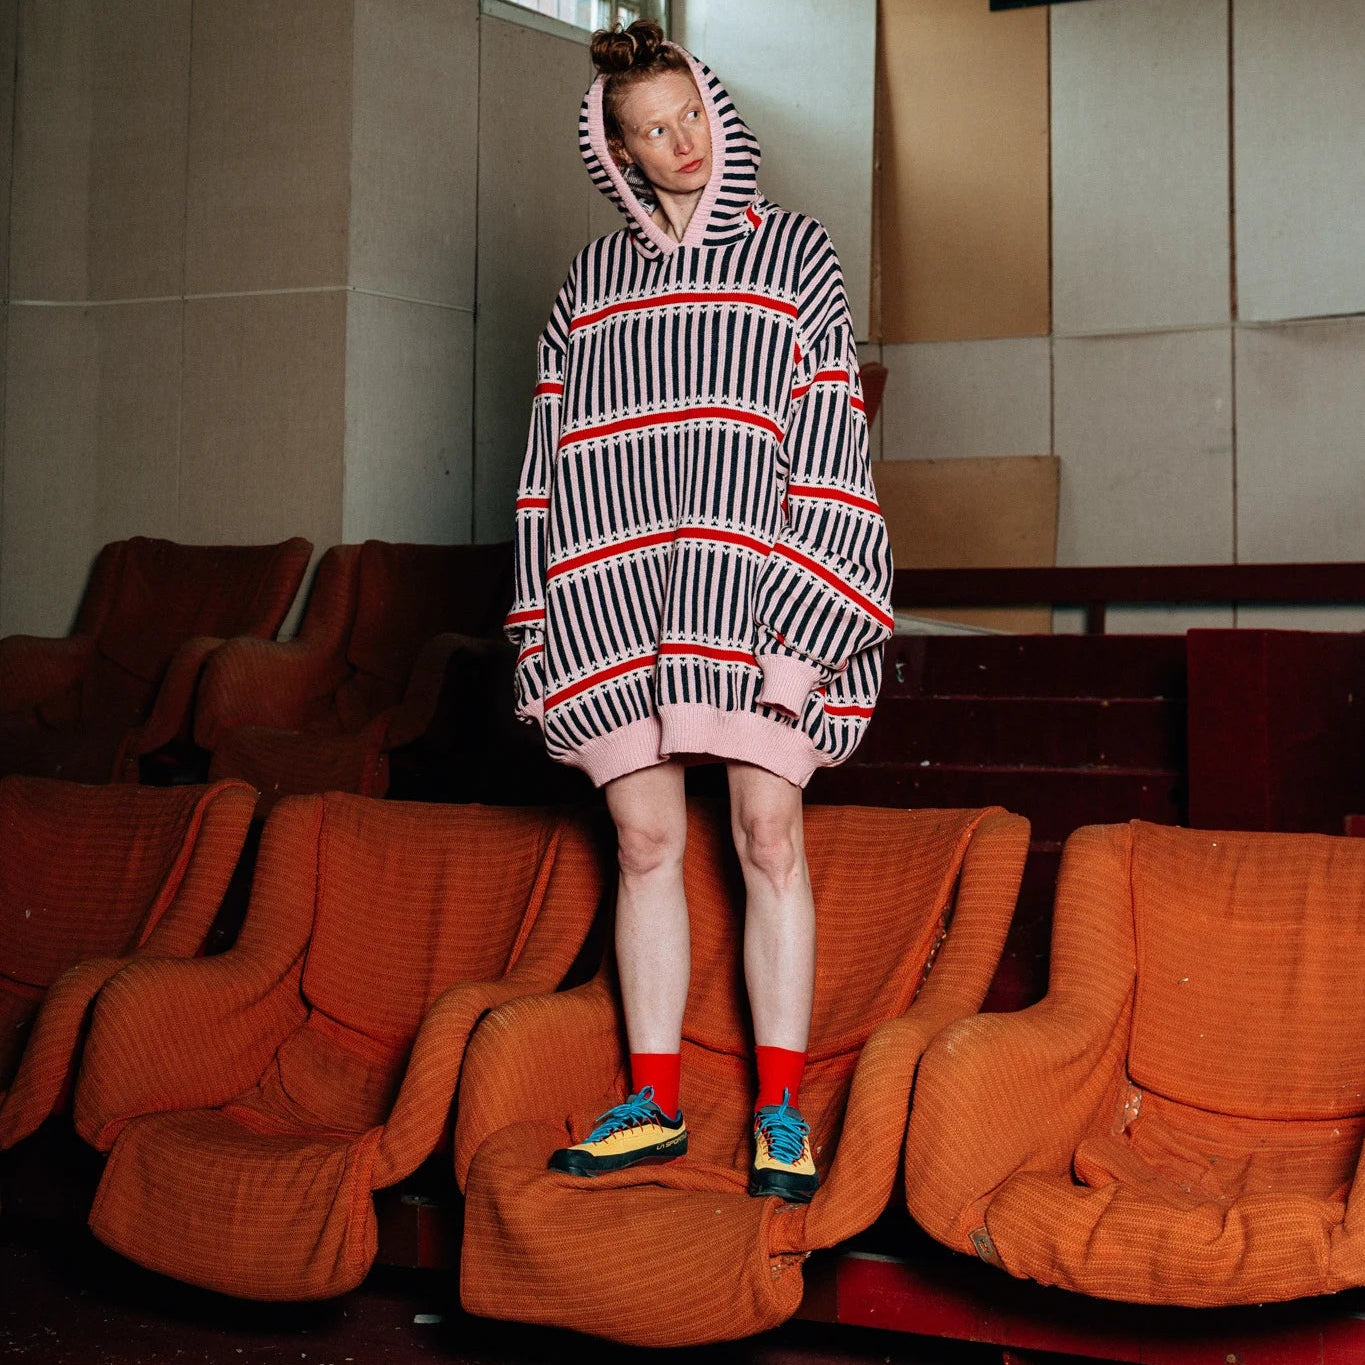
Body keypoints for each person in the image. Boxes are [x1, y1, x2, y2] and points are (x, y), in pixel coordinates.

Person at [504, 19, 892, 1203]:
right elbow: (551, 468)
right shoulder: (591, 284)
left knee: (769, 841)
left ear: (717, 113)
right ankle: (656, 1105)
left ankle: (781, 1112)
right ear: (613, 152)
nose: (678, 144)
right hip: (618, 611)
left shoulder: (796, 256)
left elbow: (833, 451)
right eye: (650, 131)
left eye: (690, 118)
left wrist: (809, 634)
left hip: (768, 607)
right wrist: (551, 619)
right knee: (645, 844)